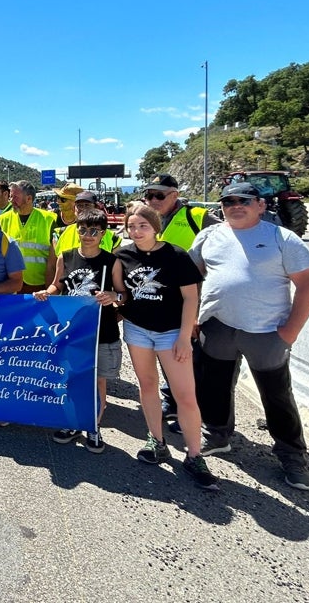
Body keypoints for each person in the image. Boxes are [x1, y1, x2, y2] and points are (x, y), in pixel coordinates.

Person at [189, 182, 309, 490]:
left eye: (243, 200)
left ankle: (291, 455)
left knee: (276, 394)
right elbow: (192, 277)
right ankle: (218, 435)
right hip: (218, 325)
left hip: (265, 331)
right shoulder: (209, 236)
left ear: (261, 205)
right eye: (228, 201)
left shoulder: (281, 237)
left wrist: (291, 330)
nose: (235, 205)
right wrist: (194, 314)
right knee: (215, 385)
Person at [111, 202, 218, 490]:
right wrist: (113, 299)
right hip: (137, 331)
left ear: (155, 227)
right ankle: (156, 441)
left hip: (171, 333)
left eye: (143, 226)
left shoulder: (176, 256)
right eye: (131, 226)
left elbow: (190, 299)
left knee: (185, 395)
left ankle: (194, 455)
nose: (136, 231)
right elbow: (123, 295)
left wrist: (184, 337)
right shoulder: (122, 255)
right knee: (147, 386)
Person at [35, 209, 120, 452]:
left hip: (101, 331)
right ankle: (73, 422)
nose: (87, 235)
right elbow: (56, 285)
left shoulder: (110, 262)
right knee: (72, 378)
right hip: (72, 330)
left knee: (98, 382)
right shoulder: (66, 256)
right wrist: (45, 293)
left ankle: (93, 425)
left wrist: (114, 296)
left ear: (103, 233)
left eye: (94, 231)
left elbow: (123, 295)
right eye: (83, 230)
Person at [140, 174, 220, 424]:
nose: (153, 200)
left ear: (174, 195)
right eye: (149, 195)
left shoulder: (198, 217)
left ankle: (196, 412)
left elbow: (227, 238)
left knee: (190, 360)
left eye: (159, 195)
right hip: (160, 302)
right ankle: (173, 402)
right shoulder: (149, 221)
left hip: (190, 301)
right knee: (168, 355)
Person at [0, 181, 56, 293]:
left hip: (40, 286)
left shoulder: (49, 219)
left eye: (15, 197)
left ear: (29, 199)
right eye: (10, 197)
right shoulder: (3, 219)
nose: (11, 200)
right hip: (10, 283)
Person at [54, 191, 120, 256]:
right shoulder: (60, 234)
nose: (83, 209)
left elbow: (117, 264)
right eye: (79, 206)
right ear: (74, 209)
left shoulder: (113, 238)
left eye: (87, 205)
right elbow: (52, 265)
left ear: (96, 208)